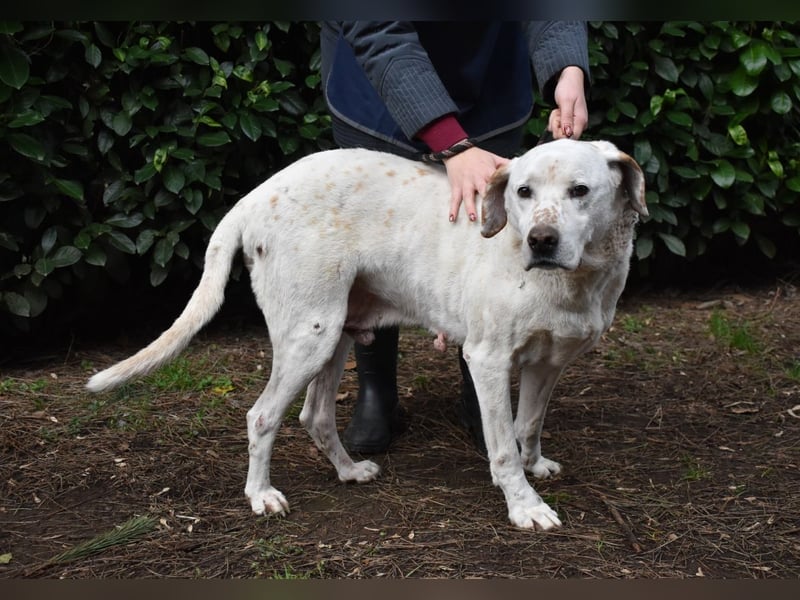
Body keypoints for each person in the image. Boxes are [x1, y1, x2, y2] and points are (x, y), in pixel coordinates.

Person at [319, 21, 590, 454]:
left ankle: (481, 392)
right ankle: (377, 392)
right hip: (377, 91)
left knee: (484, 227)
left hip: (490, 84)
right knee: (378, 237)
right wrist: (452, 145)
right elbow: (379, 30)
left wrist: (567, 69)